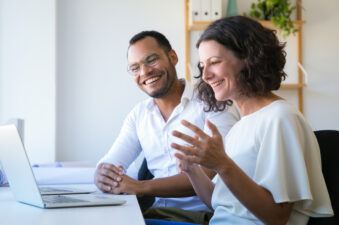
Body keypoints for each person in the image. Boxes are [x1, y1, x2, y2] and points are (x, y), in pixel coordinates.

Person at [170, 16, 334, 225]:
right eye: (203, 66)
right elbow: (220, 203)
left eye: (215, 62)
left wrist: (222, 163)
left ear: (250, 58)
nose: (206, 75)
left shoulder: (280, 118)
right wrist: (191, 169)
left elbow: (277, 217)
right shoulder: (240, 126)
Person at [94, 30, 240, 224]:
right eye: (135, 68)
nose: (144, 72)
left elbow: (209, 171)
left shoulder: (213, 103)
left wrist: (141, 187)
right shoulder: (139, 114)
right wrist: (102, 175)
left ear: (172, 57)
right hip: (159, 215)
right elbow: (111, 162)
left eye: (151, 60)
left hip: (206, 216)